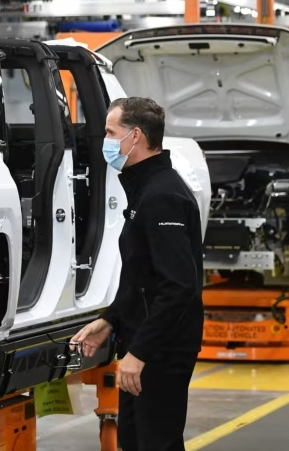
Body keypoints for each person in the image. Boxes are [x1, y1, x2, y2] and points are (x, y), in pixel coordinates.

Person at [71, 96, 204, 451]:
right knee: (135, 441)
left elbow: (179, 286)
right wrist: (110, 320)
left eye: (110, 132)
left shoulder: (163, 196)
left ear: (136, 137)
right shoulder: (144, 188)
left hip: (163, 347)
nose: (105, 141)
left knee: (155, 442)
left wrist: (140, 353)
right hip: (146, 338)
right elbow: (142, 275)